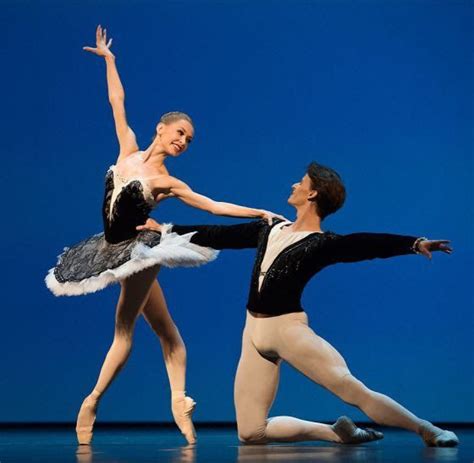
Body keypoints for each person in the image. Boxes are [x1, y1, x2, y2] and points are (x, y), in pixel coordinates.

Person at [45, 26, 280, 446]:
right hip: (108, 249)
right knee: (168, 334)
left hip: (138, 252)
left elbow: (212, 206)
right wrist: (110, 61)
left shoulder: (166, 182)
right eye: (180, 134)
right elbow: (116, 103)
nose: (183, 142)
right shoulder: (129, 150)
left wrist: (258, 211)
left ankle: (92, 401)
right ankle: (178, 400)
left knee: (123, 329)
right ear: (161, 129)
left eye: (189, 140)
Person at [141, 161, 459, 447]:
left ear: (312, 194)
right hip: (252, 332)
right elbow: (218, 234)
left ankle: (427, 430)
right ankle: (336, 433)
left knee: (352, 390)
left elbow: (363, 244)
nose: (294, 184)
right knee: (251, 433)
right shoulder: (269, 226)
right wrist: (166, 231)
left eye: (301, 182)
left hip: (287, 330)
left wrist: (413, 244)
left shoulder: (321, 244)